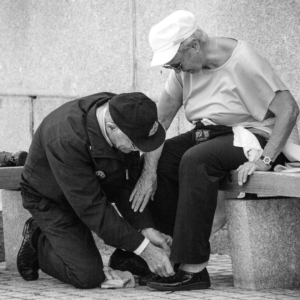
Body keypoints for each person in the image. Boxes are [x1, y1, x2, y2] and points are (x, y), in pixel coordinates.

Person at [129, 10, 300, 291]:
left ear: (194, 45)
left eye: (177, 63)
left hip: (258, 136)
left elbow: (289, 110)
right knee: (164, 158)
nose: (176, 70)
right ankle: (168, 253)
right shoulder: (184, 70)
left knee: (197, 160)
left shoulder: (242, 60)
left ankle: (194, 268)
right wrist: (148, 171)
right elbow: (161, 122)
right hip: (212, 134)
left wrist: (265, 161)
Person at [17, 92, 175, 289]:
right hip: (50, 201)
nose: (138, 149)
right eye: (135, 144)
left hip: (89, 193)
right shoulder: (66, 138)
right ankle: (36, 236)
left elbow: (125, 183)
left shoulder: (126, 113)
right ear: (111, 127)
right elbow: (93, 209)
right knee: (87, 276)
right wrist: (145, 249)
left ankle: (65, 239)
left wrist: (145, 228)